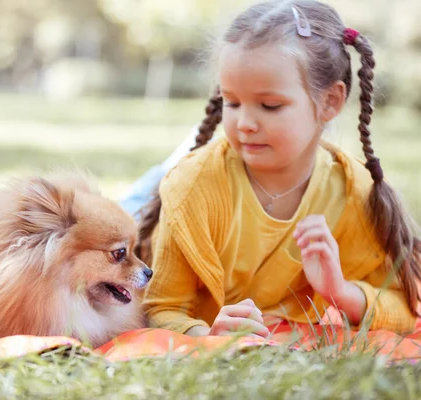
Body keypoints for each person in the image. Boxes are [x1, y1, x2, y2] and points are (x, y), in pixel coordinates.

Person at [123, 0, 421, 338]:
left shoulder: (355, 192)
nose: (246, 123)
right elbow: (161, 307)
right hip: (143, 218)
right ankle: (170, 164)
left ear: (330, 102)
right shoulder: (193, 187)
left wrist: (340, 290)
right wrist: (205, 335)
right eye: (231, 102)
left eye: (270, 105)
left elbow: (404, 308)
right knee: (134, 201)